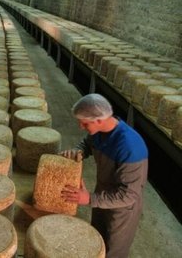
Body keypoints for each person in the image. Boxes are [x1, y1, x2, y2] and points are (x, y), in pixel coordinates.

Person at [60, 93, 148, 258]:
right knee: (97, 239)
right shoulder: (99, 131)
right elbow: (87, 143)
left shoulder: (130, 147)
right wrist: (78, 151)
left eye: (84, 123)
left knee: (113, 249)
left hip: (122, 209)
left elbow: (129, 194)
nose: (81, 127)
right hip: (102, 193)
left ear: (98, 120)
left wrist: (90, 199)